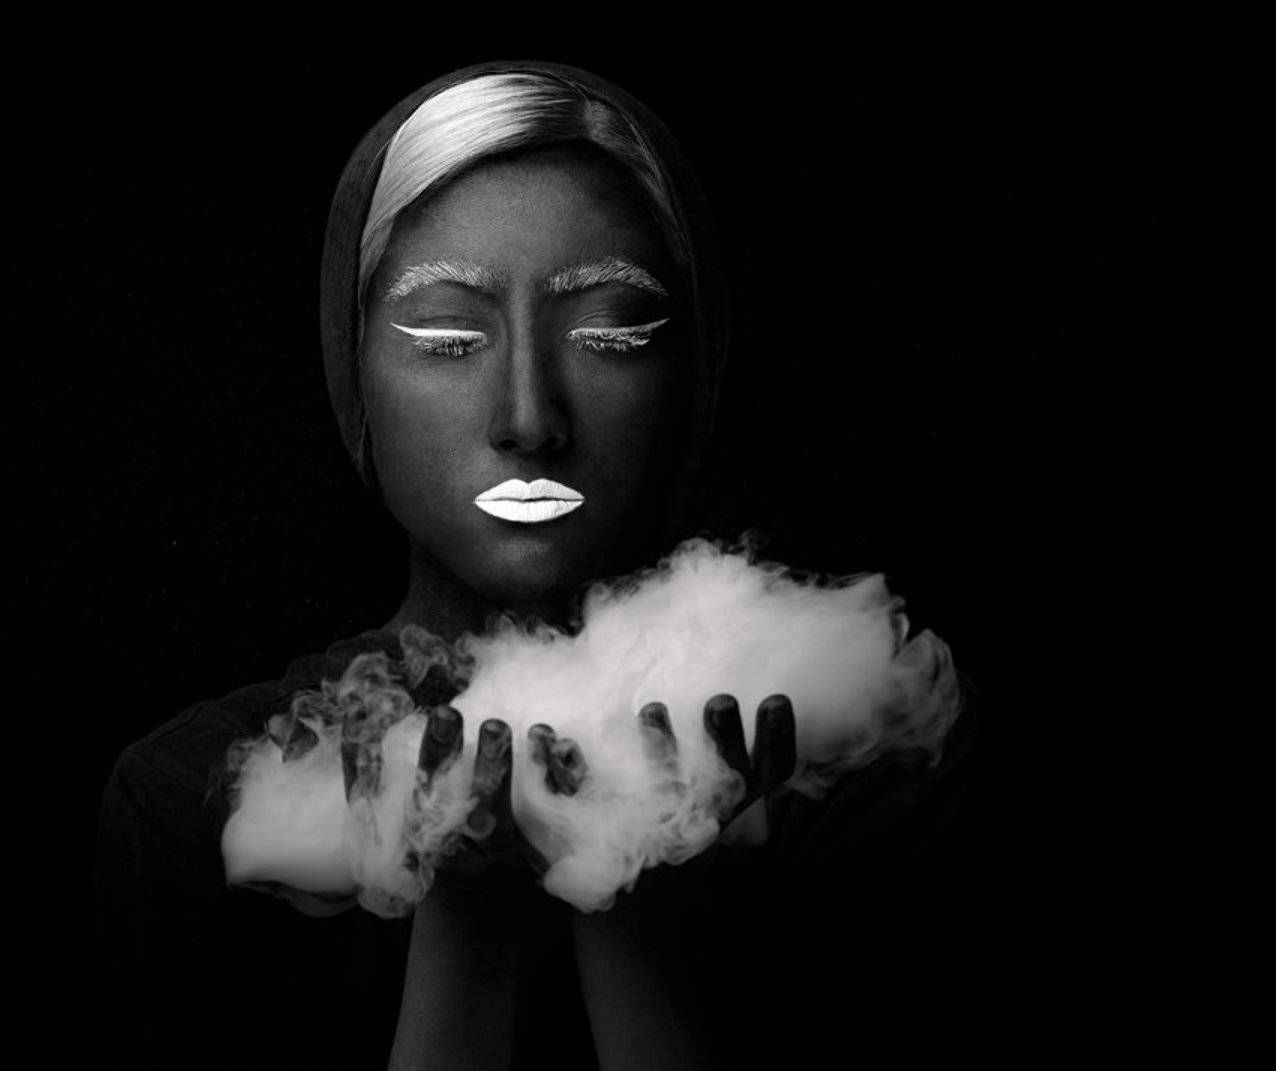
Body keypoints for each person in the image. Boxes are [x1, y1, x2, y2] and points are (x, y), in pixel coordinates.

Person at [94, 59, 978, 1070]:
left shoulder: (864, 774)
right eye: (447, 337)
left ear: (694, 375)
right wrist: (469, 931)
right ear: (354, 372)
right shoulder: (193, 812)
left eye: (610, 332)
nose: (528, 417)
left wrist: (637, 901)